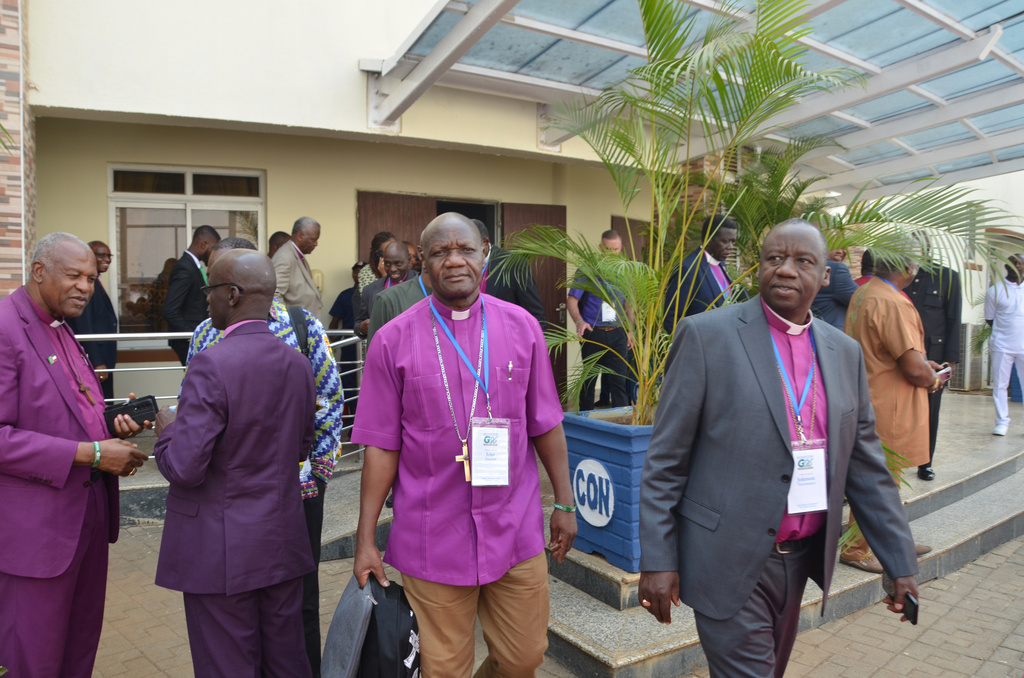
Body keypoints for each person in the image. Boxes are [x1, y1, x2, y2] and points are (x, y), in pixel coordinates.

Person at [638, 219, 920, 678]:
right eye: (774, 259)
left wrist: (899, 561)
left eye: (802, 261)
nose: (786, 270)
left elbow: (866, 467)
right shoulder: (707, 336)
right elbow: (665, 461)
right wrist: (657, 558)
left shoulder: (844, 353)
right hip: (726, 556)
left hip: (801, 560)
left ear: (826, 275)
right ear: (758, 268)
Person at [352, 212, 576, 677]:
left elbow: (546, 423)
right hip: (432, 536)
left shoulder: (521, 327)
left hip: (514, 529)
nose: (454, 260)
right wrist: (366, 538)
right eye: (440, 252)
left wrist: (566, 503)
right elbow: (380, 446)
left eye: (465, 250)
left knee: (525, 656)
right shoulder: (392, 339)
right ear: (423, 262)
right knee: (442, 669)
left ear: (484, 254)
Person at [154, 249, 317, 678]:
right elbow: (301, 448)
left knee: (228, 665)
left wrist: (167, 430)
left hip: (221, 551)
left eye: (209, 290)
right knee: (286, 664)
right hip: (281, 543)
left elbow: (185, 467)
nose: (205, 300)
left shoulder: (210, 363)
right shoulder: (299, 364)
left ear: (231, 294)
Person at [185, 236, 342, 677]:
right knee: (239, 608)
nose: (210, 292)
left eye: (214, 282)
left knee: (295, 603)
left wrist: (316, 475)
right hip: (230, 504)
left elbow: (330, 400)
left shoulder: (303, 325)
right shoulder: (205, 335)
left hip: (295, 494)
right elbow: (197, 418)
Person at [0, 232, 148, 678]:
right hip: (37, 538)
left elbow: (71, 408)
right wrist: (93, 453)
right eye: (74, 276)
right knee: (35, 660)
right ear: (39, 272)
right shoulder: (6, 328)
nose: (86, 286)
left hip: (85, 523)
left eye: (91, 277)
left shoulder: (61, 326)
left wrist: (111, 424)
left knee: (78, 652)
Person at [843, 244, 941, 572]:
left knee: (887, 479)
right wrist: (933, 378)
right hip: (887, 404)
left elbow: (885, 350)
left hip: (869, 395)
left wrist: (921, 363)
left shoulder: (866, 291)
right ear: (907, 268)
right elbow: (913, 369)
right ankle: (857, 549)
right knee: (879, 480)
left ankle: (892, 538)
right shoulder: (892, 301)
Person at [904, 250, 962, 479]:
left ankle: (925, 462)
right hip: (905, 351)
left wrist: (951, 359)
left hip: (935, 356)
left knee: (931, 410)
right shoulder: (899, 274)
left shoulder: (947, 276)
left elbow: (953, 317)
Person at [567, 229, 631, 410]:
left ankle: (622, 424)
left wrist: (631, 330)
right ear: (600, 248)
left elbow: (629, 304)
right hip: (593, 332)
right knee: (588, 382)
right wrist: (580, 322)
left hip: (618, 333)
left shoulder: (625, 270)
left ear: (621, 248)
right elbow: (572, 300)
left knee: (619, 382)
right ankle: (587, 425)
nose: (611, 254)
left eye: (616, 250)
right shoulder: (587, 269)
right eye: (608, 250)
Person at [663, 214, 741, 333]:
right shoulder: (688, 269)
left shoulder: (721, 265)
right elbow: (671, 319)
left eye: (733, 242)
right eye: (725, 241)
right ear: (709, 239)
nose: (730, 247)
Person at [67, 240, 118, 400]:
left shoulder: (95, 281)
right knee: (99, 400)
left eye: (109, 256)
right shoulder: (85, 286)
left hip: (104, 356)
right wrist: (96, 361)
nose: (107, 259)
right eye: (101, 255)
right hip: (95, 359)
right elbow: (84, 325)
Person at [163, 224, 221, 364]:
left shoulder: (194, 266)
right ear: (203, 244)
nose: (214, 254)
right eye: (213, 248)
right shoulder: (184, 268)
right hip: (188, 341)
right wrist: (193, 335)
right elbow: (170, 310)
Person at [471, 218, 546, 325]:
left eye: (468, 248)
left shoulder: (514, 264)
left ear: (485, 243)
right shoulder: (460, 265)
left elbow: (535, 313)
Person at [985, 255, 1024, 437]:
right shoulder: (995, 290)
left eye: (1021, 263)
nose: (1017, 266)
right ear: (1006, 266)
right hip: (1002, 345)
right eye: (1014, 263)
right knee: (1000, 385)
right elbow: (990, 319)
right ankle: (1002, 422)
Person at [354, 239, 418, 336]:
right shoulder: (370, 290)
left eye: (398, 264)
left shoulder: (421, 284)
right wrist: (362, 328)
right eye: (387, 264)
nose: (392, 269)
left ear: (408, 260)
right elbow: (358, 325)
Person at [273, 216, 323, 316]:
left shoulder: (297, 255)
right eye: (313, 240)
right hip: (294, 328)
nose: (316, 244)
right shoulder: (285, 257)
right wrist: (288, 324)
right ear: (299, 236)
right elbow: (275, 295)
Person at [811, 247, 859, 330]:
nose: (840, 252)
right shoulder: (837, 270)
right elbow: (861, 300)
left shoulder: (808, 266)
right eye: (835, 246)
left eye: (844, 248)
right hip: (831, 334)